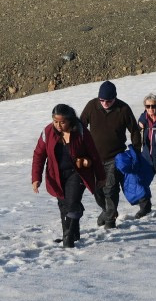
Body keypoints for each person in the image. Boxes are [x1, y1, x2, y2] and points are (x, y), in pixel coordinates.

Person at [31, 104, 107, 248]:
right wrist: (36, 178)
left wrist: (101, 176)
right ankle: (71, 233)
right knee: (64, 206)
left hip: (77, 173)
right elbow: (39, 155)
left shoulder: (81, 131)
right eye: (55, 121)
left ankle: (68, 237)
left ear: (70, 120)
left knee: (72, 202)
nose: (58, 125)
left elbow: (94, 154)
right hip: (56, 175)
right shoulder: (47, 132)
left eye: (62, 122)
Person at [80, 80, 141, 230]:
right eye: (102, 100)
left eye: (108, 100)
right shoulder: (91, 106)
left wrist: (136, 151)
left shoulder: (123, 108)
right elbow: (80, 125)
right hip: (94, 157)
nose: (105, 103)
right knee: (97, 189)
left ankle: (110, 221)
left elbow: (134, 130)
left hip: (116, 156)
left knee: (110, 188)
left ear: (115, 98)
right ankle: (107, 211)